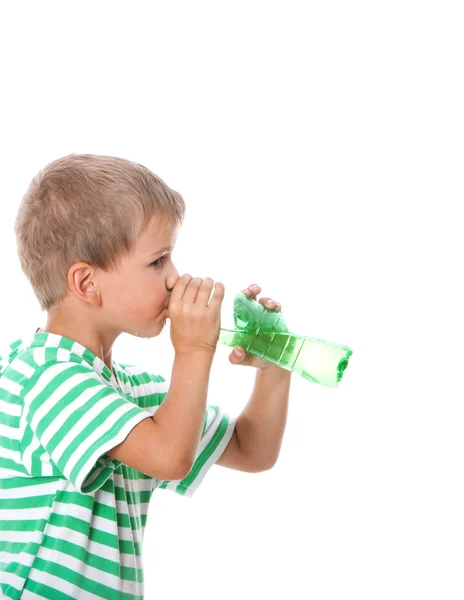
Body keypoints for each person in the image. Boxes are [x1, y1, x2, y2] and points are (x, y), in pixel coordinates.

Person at [0, 153, 292, 599]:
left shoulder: (132, 394)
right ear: (86, 283)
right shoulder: (45, 377)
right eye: (158, 261)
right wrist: (195, 349)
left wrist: (275, 363)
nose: (176, 279)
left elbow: (252, 451)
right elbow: (170, 456)